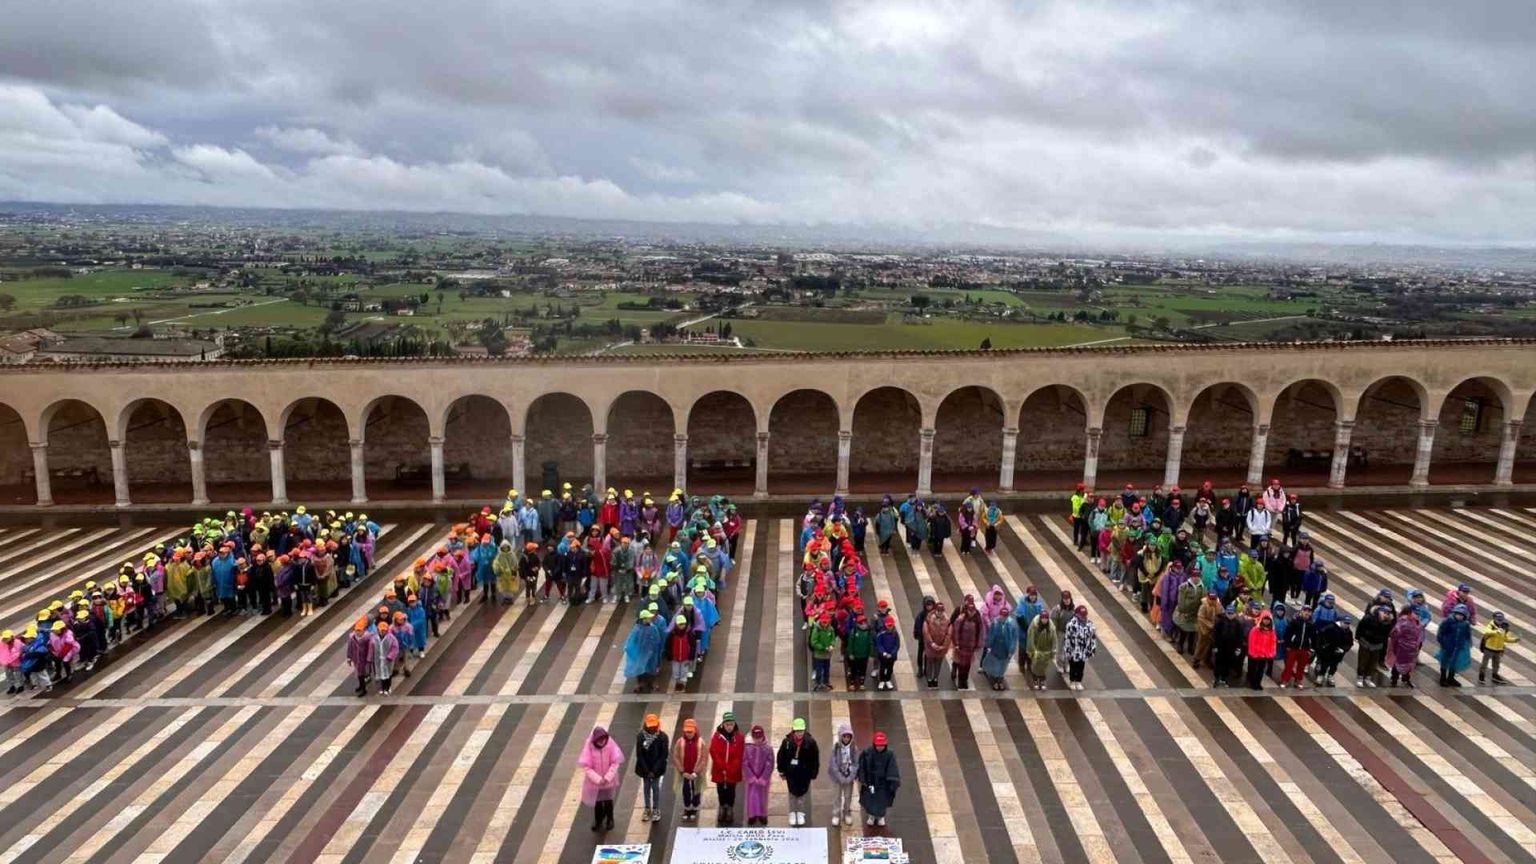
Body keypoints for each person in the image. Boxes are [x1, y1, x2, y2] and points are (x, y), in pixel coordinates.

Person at [579, 726, 625, 832]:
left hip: (609, 780)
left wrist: (608, 777)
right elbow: (587, 767)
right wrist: (598, 779)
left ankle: (610, 819)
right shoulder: (589, 747)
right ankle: (598, 820)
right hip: (595, 782)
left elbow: (615, 762)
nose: (602, 742)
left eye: (603, 739)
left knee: (608, 800)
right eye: (599, 740)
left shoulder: (610, 745)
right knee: (598, 802)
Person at [777, 717, 820, 826]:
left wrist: (814, 773)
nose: (799, 733)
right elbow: (781, 757)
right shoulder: (787, 742)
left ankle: (800, 812)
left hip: (804, 773)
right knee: (792, 793)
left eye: (801, 731)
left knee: (802, 794)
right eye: (797, 731)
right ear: (793, 730)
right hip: (791, 773)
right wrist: (781, 771)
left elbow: (815, 758)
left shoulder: (811, 742)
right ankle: (792, 812)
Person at [857, 731, 900, 827]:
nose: (880, 747)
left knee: (882, 800)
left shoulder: (890, 754)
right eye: (878, 745)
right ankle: (871, 816)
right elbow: (862, 766)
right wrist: (863, 779)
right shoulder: (867, 752)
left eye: (882, 745)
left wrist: (892, 782)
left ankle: (881, 816)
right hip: (870, 781)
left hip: (883, 783)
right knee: (870, 799)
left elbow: (892, 768)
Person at [710, 711, 746, 824]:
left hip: (733, 771)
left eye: (731, 724)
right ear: (723, 724)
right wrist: (722, 767)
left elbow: (740, 754)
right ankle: (722, 807)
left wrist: (731, 768)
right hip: (719, 770)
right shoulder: (717, 737)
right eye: (727, 724)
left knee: (731, 790)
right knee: (720, 790)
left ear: (734, 724)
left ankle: (729, 807)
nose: (729, 727)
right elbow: (713, 752)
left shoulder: (739, 737)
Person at [634, 714, 670, 823]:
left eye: (654, 726)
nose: (652, 729)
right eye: (650, 726)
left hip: (657, 768)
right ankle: (647, 808)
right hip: (645, 768)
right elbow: (639, 755)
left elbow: (663, 755)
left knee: (655, 788)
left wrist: (654, 771)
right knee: (646, 788)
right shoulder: (641, 736)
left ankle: (655, 808)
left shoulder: (663, 737)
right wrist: (646, 770)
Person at [672, 718, 708, 822]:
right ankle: (687, 808)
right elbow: (676, 757)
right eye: (686, 732)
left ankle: (695, 808)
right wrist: (682, 771)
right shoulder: (680, 742)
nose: (688, 734)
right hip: (685, 773)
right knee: (686, 791)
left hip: (696, 773)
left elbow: (704, 758)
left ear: (695, 730)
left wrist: (696, 772)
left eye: (690, 732)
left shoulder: (701, 742)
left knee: (696, 790)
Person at [981, 598, 1018, 690]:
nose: (1002, 618)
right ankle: (994, 679)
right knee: (995, 664)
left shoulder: (1011, 624)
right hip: (996, 647)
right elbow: (991, 635)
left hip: (1005, 648)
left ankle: (1000, 679)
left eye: (1004, 616)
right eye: (1002, 616)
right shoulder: (995, 623)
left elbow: (1013, 638)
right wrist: (988, 645)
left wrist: (1011, 650)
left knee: (1003, 665)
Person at [625, 610, 665, 693]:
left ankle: (652, 683)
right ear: (643, 619)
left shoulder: (653, 627)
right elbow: (632, 641)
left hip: (651, 652)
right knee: (639, 668)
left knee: (652, 667)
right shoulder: (637, 629)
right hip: (641, 652)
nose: (650, 618)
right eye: (648, 617)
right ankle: (639, 683)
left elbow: (657, 639)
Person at [949, 596, 985, 690]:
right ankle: (960, 679)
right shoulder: (961, 616)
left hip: (971, 645)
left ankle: (965, 679)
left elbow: (980, 630)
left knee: (967, 664)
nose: (971, 612)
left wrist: (979, 643)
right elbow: (955, 628)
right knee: (960, 662)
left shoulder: (977, 617)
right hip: (961, 645)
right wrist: (956, 643)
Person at [1355, 604, 1393, 688]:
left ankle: (1368, 678)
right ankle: (1360, 678)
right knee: (1363, 661)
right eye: (1384, 612)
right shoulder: (1369, 618)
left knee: (1373, 663)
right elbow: (1360, 628)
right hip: (1366, 642)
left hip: (1377, 645)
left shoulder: (1387, 623)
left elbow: (1386, 634)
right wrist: (1358, 638)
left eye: (1387, 613)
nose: (1386, 615)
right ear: (1379, 611)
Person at [743, 725, 774, 827]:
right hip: (752, 779)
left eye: (759, 738)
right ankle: (752, 815)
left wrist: (763, 777)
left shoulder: (768, 748)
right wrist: (751, 777)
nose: (757, 740)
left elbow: (770, 764)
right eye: (755, 738)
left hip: (763, 779)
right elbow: (744, 762)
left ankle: (762, 815)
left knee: (763, 797)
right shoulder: (747, 747)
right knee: (751, 797)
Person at [1278, 605, 1316, 689]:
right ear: (1301, 611)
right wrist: (1288, 645)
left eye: (1309, 611)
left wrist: (1312, 648)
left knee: (1301, 666)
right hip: (1293, 647)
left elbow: (1314, 637)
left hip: (1305, 648)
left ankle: (1298, 680)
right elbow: (1288, 634)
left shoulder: (1311, 624)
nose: (1307, 613)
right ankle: (1285, 679)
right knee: (1289, 665)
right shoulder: (1294, 621)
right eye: (1305, 610)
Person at [828, 723, 858, 827]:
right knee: (837, 797)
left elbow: (856, 763)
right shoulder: (836, 748)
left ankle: (847, 813)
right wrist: (839, 776)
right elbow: (833, 764)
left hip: (849, 777)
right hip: (837, 778)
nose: (846, 739)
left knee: (848, 796)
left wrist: (851, 776)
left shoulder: (854, 748)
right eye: (844, 736)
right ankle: (836, 814)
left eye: (848, 736)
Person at [1061, 606, 1098, 691]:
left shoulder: (1089, 624)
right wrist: (1068, 651)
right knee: (1073, 667)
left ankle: (1078, 681)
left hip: (1083, 651)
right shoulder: (1071, 624)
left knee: (1081, 667)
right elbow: (1067, 638)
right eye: (1081, 615)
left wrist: (1092, 649)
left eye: (1084, 615)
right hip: (1073, 651)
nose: (1083, 617)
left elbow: (1092, 638)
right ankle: (1072, 681)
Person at [1387, 606, 1424, 687]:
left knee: (1403, 664)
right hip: (1406, 647)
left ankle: (1400, 679)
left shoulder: (1412, 622)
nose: (1417, 615)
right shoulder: (1408, 621)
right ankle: (1399, 679)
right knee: (1403, 663)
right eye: (1415, 613)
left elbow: (1395, 633)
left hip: (1407, 647)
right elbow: (1395, 633)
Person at [1314, 614, 1354, 687]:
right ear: (1340, 622)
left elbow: (1350, 643)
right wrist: (1322, 647)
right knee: (1324, 665)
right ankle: (1320, 676)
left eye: (1348, 623)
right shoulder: (1330, 628)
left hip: (1338, 654)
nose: (1347, 625)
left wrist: (1343, 649)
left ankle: (1330, 676)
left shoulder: (1348, 632)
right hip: (1327, 652)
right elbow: (1321, 637)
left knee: (1334, 666)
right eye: (1345, 623)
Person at [1478, 610, 1518, 685]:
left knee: (1496, 664)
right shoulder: (1491, 625)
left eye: (1501, 620)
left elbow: (1505, 638)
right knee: (1484, 663)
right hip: (1489, 648)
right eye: (1498, 620)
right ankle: (1481, 676)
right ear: (1494, 619)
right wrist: (1496, 631)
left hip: (1498, 649)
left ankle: (1495, 676)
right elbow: (1486, 631)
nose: (1500, 621)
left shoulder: (1504, 627)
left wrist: (1514, 640)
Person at [1023, 611, 1057, 691]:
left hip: (1046, 651)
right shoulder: (1034, 626)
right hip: (1037, 650)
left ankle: (1042, 681)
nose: (1044, 620)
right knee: (1035, 666)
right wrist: (1032, 650)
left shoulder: (1051, 628)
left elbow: (1054, 639)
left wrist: (1053, 650)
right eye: (1043, 618)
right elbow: (1030, 638)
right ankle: (1035, 680)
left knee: (1044, 667)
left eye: (1046, 618)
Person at [1245, 610, 1277, 690]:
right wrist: (1253, 652)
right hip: (1255, 654)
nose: (1266, 621)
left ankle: (1258, 683)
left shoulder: (1271, 631)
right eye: (1265, 619)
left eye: (1268, 619)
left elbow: (1272, 643)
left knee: (1261, 670)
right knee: (1253, 669)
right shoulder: (1255, 630)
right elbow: (1251, 642)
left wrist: (1271, 653)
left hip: (1264, 654)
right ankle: (1252, 683)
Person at [921, 601, 950, 688]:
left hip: (941, 647)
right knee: (929, 663)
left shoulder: (947, 620)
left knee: (938, 664)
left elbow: (949, 634)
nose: (940, 613)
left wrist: (944, 645)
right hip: (930, 646)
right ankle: (929, 679)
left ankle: (935, 678)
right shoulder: (929, 619)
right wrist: (931, 643)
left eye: (941, 611)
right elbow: (926, 632)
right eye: (938, 611)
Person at [347, 616, 376, 697]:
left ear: (364, 630)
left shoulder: (368, 638)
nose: (358, 632)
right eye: (357, 630)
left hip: (364, 659)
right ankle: (361, 686)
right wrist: (349, 658)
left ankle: (364, 689)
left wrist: (369, 659)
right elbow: (350, 648)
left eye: (360, 630)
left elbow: (370, 649)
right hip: (356, 659)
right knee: (359, 674)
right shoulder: (352, 638)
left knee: (363, 674)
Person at [874, 615, 900, 691]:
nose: (890, 627)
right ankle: (882, 680)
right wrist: (883, 653)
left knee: (890, 668)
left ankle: (888, 679)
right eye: (888, 625)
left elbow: (897, 644)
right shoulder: (881, 633)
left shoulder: (895, 634)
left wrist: (892, 653)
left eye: (891, 625)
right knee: (882, 667)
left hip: (892, 655)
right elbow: (879, 644)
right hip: (883, 655)